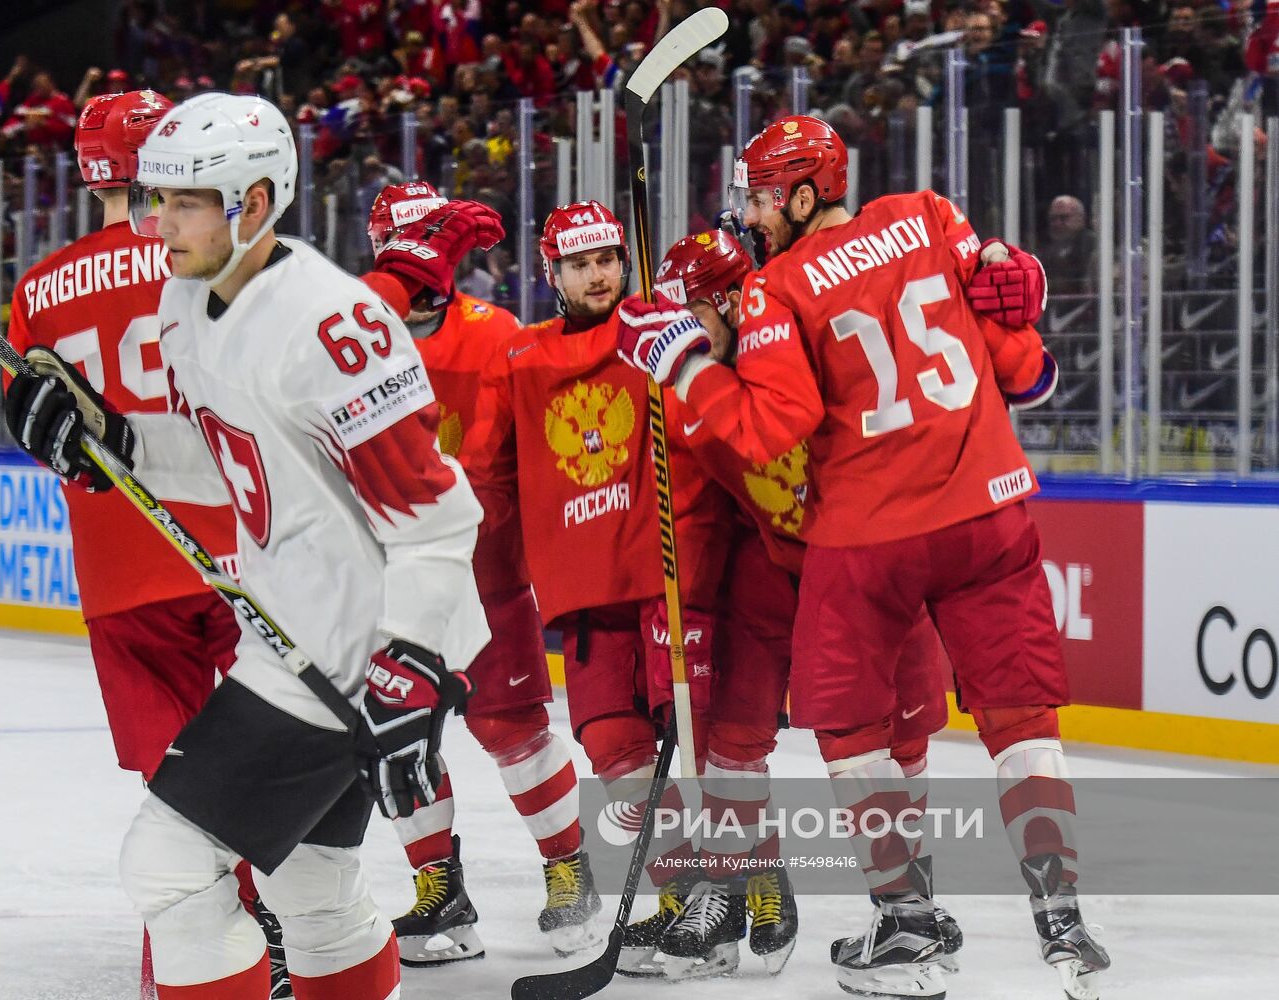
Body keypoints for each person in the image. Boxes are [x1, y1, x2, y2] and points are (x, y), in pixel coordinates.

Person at [1, 91, 502, 1000]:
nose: (158, 221)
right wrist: (111, 442)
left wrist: (411, 666)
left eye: (185, 202)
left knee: (168, 866)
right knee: (313, 885)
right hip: (294, 633)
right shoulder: (191, 308)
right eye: (157, 199)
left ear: (257, 204)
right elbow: (223, 459)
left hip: (351, 645)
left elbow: (437, 514)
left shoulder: (329, 326)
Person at [615, 115, 1105, 1000]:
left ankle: (909, 926)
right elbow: (1028, 375)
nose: (752, 217)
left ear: (805, 193)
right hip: (990, 511)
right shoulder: (931, 215)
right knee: (1021, 713)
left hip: (870, 537)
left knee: (847, 721)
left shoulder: (778, 287)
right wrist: (1015, 293)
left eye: (762, 199)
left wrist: (684, 367)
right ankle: (1062, 919)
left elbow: (772, 429)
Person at [4, 89, 292, 1000]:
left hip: (120, 568)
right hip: (239, 547)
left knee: (177, 780)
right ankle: (266, 936)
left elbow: (43, 430)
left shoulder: (36, 290)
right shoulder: (217, 252)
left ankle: (196, 947)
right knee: (256, 760)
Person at [639, 227, 969, 982]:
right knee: (730, 736)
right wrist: (679, 621)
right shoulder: (685, 389)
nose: (681, 331)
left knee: (896, 734)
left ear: (729, 301)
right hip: (768, 567)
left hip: (865, 564)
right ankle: (734, 888)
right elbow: (689, 510)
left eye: (691, 311)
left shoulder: (812, 344)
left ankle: (905, 908)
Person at [461, 199, 729, 976]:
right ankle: (687, 894)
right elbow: (489, 476)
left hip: (665, 579)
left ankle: (744, 893)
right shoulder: (516, 359)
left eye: (608, 258)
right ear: (553, 275)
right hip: (582, 588)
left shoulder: (658, 333)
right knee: (616, 748)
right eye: (579, 264)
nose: (598, 274)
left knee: (707, 746)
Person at [364, 182, 594, 964]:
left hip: (487, 575)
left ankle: (570, 871)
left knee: (512, 729)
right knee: (399, 743)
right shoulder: (354, 335)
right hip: (390, 588)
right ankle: (441, 894)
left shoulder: (495, 333)